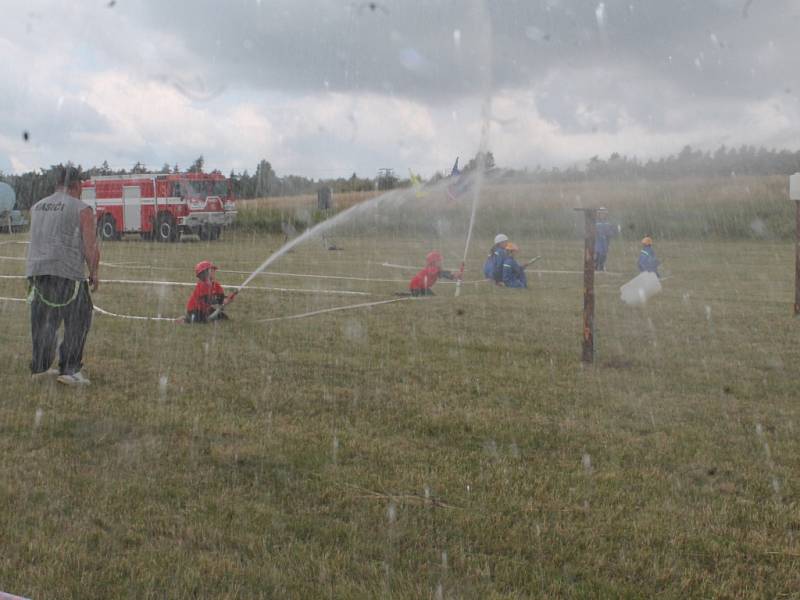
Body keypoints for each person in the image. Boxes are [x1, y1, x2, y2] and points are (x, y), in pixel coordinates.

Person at [26, 165, 99, 386]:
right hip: (67, 274)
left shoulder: (37, 207)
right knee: (78, 320)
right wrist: (94, 272)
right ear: (77, 185)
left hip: (37, 273)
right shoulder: (82, 208)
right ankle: (70, 369)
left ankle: (40, 365)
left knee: (44, 321)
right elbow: (90, 247)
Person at [594, 207, 619, 272]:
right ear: (598, 214)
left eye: (604, 214)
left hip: (605, 240)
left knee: (604, 253)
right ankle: (596, 266)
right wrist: (596, 233)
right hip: (598, 239)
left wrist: (611, 233)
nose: (602, 215)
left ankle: (601, 266)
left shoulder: (608, 222)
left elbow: (610, 231)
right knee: (599, 253)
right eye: (601, 214)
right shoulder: (596, 222)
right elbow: (594, 230)